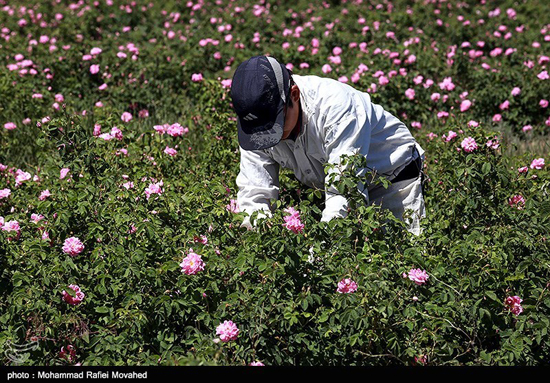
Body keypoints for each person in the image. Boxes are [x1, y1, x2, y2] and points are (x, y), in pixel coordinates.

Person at [230, 55, 426, 235]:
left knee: (403, 258)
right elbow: (254, 193)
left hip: (394, 182)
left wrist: (317, 257)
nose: (272, 135)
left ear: (294, 94)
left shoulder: (336, 108)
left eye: (276, 124)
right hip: (330, 192)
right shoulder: (255, 128)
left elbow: (344, 193)